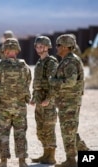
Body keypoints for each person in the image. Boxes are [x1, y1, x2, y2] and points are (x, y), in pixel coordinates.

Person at [49, 34, 89, 167]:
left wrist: (53, 81)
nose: (56, 48)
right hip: (66, 101)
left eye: (58, 45)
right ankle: (87, 154)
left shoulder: (71, 61)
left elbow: (70, 82)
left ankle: (71, 160)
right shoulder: (67, 60)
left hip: (69, 102)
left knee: (68, 131)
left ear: (65, 47)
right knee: (70, 130)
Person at [0, 38, 31, 167]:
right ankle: (22, 161)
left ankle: (3, 161)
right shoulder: (24, 65)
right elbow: (28, 80)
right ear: (17, 51)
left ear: (5, 51)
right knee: (20, 133)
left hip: (3, 106)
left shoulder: (0, 66)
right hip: (20, 106)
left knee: (3, 133)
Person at [30, 36, 58, 164]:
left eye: (41, 46)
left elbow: (54, 84)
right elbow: (37, 84)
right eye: (37, 46)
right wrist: (34, 98)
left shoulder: (51, 62)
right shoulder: (39, 62)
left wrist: (49, 98)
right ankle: (45, 154)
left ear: (47, 47)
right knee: (41, 129)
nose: (38, 48)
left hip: (48, 102)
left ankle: (51, 156)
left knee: (48, 128)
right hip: (40, 102)